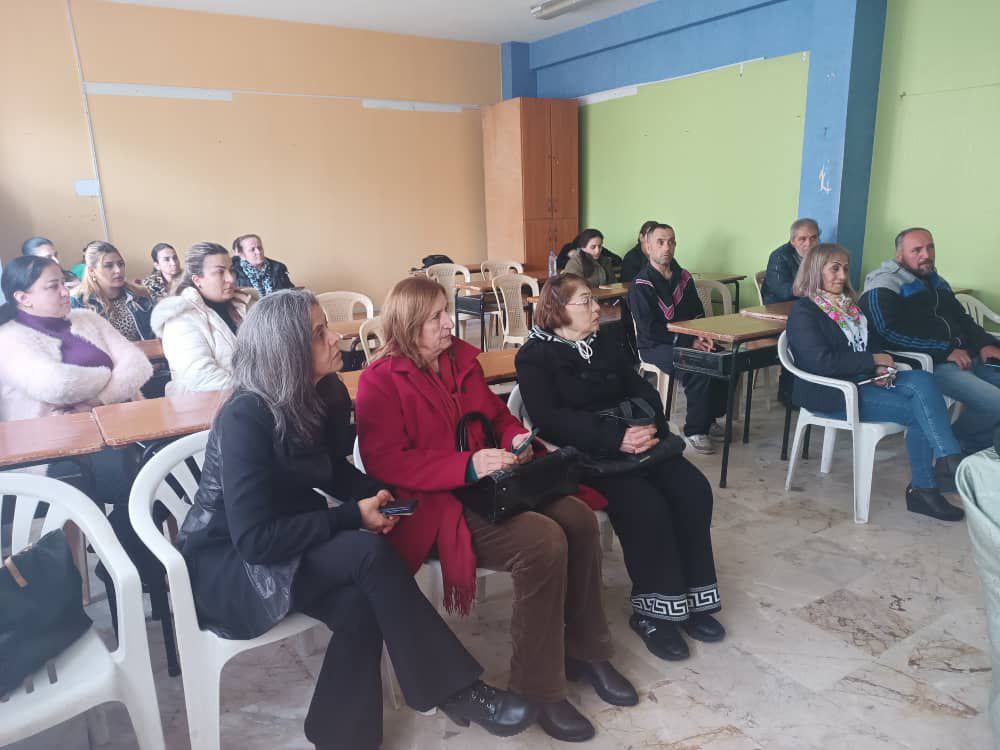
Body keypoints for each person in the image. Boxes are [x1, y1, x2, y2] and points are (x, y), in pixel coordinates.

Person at [177, 289, 533, 749]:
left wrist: (380, 496)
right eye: (319, 333)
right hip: (232, 567)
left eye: (327, 328)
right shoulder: (245, 416)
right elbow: (254, 541)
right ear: (287, 351)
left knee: (360, 602)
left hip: (287, 542)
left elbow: (330, 470)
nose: (335, 339)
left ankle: (342, 736)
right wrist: (350, 517)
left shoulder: (321, 393)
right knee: (366, 552)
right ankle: (456, 690)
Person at [356, 275, 636, 743]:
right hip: (434, 504)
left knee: (578, 518)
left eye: (447, 312)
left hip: (487, 485)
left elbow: (496, 415)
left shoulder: (459, 362)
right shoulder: (379, 381)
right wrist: (466, 465)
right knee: (542, 542)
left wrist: (514, 437)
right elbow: (386, 462)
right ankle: (538, 689)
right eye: (437, 317)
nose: (450, 323)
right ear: (408, 325)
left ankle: (586, 650)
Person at [516, 272, 724, 661]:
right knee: (647, 505)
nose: (597, 308)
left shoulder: (604, 340)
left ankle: (694, 597)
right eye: (586, 302)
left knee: (692, 489)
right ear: (558, 309)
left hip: (637, 442)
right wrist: (615, 438)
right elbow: (550, 420)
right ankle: (654, 613)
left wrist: (649, 425)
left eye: (595, 300)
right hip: (590, 455)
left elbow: (639, 385)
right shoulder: (534, 357)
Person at [787, 243, 965, 521]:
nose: (842, 275)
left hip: (864, 382)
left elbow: (871, 345)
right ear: (815, 270)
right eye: (834, 269)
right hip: (833, 392)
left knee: (923, 380)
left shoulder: (850, 308)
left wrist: (882, 365)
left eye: (845, 269)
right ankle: (930, 482)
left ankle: (944, 461)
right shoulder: (804, 311)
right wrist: (872, 361)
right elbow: (820, 362)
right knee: (921, 410)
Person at [0, 254, 151, 506]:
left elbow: (138, 364)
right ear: (23, 297)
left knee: (171, 459)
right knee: (127, 471)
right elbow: (57, 385)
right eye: (53, 286)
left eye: (64, 283)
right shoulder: (8, 337)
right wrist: (108, 372)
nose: (65, 292)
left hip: (122, 426)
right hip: (53, 446)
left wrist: (98, 400)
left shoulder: (86, 318)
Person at [861, 227, 1000, 455]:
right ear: (899, 255)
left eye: (930, 247)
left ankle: (973, 446)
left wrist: (985, 343)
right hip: (930, 365)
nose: (926, 255)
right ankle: (952, 449)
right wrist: (944, 351)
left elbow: (962, 319)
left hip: (966, 356)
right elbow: (886, 333)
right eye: (916, 250)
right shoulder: (883, 285)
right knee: (996, 403)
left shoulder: (937, 282)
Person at [628, 223, 728, 453]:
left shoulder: (683, 277)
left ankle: (710, 418)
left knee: (723, 359)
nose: (667, 247)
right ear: (648, 247)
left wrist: (703, 336)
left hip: (687, 338)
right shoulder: (641, 284)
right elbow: (649, 329)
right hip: (655, 346)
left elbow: (697, 313)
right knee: (697, 367)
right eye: (660, 242)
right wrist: (688, 342)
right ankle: (695, 430)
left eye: (671, 242)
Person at [151, 242, 257, 395]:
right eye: (220, 272)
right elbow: (201, 377)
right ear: (197, 280)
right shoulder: (180, 319)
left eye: (231, 271)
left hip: (255, 398)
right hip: (209, 404)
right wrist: (259, 392)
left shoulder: (246, 304)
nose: (230, 279)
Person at [71, 241, 154, 341]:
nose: (118, 270)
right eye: (109, 266)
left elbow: (154, 336)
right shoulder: (79, 302)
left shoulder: (139, 295)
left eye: (121, 264)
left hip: (142, 350)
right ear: (92, 271)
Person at [761, 218, 820, 304]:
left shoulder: (821, 255)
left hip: (808, 303)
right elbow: (783, 292)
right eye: (802, 239)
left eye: (813, 238)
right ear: (793, 241)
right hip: (779, 305)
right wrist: (815, 290)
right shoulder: (779, 256)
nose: (808, 243)